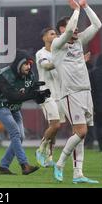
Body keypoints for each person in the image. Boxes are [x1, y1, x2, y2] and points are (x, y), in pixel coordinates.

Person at [52, 0, 102, 184]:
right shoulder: (57, 44)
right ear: (62, 30)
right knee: (81, 132)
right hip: (70, 93)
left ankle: (78, 173)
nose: (76, 30)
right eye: (70, 27)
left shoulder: (79, 41)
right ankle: (59, 164)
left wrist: (85, 6)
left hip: (85, 92)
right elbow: (72, 28)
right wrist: (75, 10)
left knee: (80, 135)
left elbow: (97, 24)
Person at [0, 50, 50, 175]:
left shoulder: (30, 76)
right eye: (26, 64)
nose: (29, 67)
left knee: (20, 136)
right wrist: (33, 94)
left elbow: (31, 94)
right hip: (0, 106)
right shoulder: (4, 76)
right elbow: (13, 97)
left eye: (30, 64)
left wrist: (40, 96)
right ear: (18, 64)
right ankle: (24, 165)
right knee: (15, 132)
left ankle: (4, 166)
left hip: (14, 108)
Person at [35, 27, 64, 168]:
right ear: (44, 37)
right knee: (55, 124)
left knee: (55, 128)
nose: (55, 36)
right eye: (52, 34)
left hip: (60, 93)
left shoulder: (59, 52)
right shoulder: (41, 53)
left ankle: (49, 157)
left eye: (56, 34)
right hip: (46, 93)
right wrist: (60, 61)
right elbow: (46, 66)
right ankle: (40, 149)